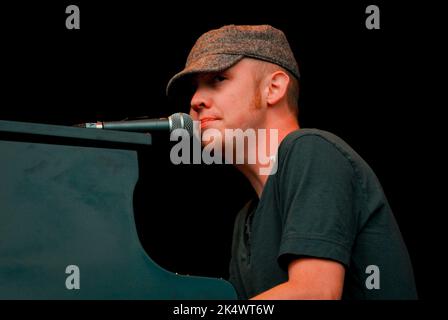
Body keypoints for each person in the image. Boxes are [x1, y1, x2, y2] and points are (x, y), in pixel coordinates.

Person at [166, 25, 418, 300]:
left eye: (217, 79)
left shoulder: (311, 149)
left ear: (273, 88)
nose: (195, 100)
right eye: (195, 88)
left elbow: (315, 293)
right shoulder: (246, 219)